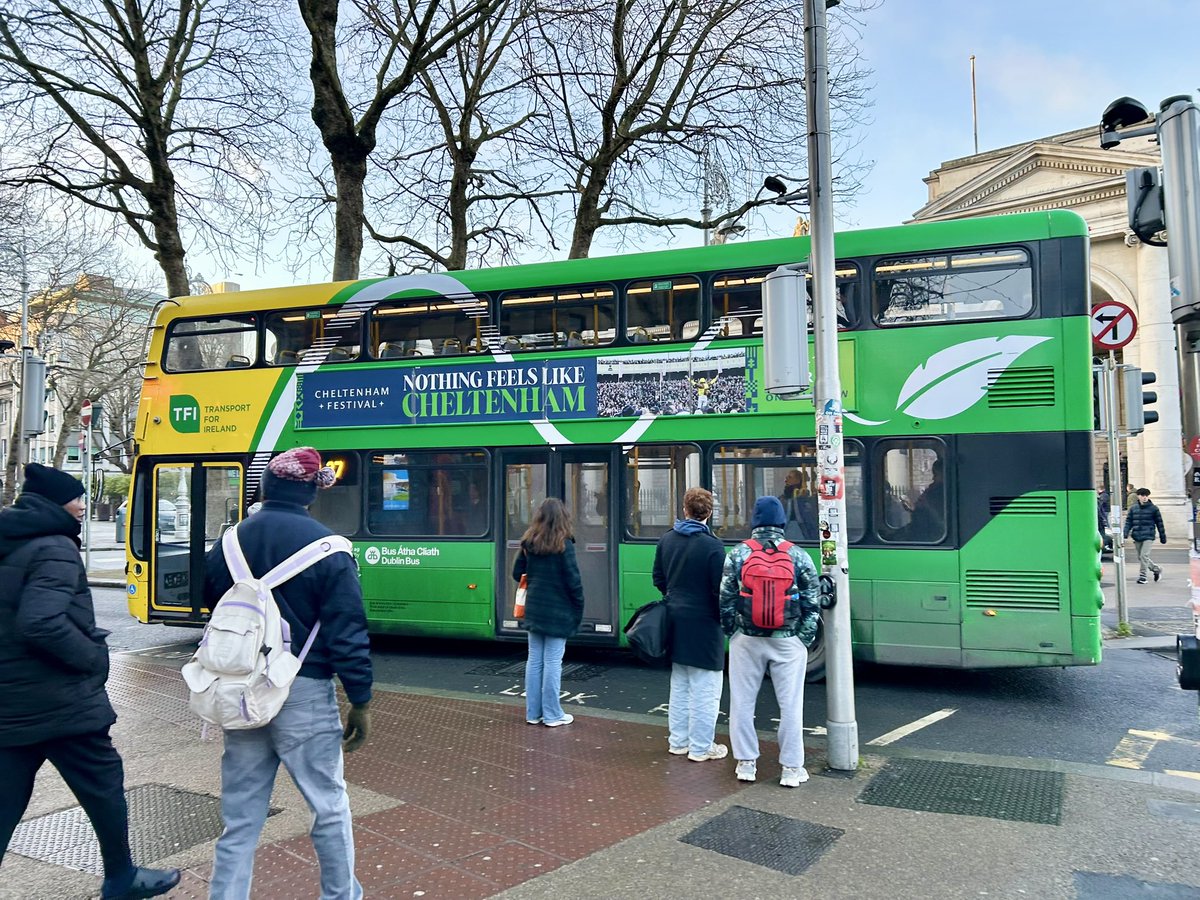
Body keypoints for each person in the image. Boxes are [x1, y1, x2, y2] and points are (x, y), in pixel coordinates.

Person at [0, 464, 180, 900]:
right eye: (77, 497)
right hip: (61, 703)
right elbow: (40, 623)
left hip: (12, 702)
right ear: (57, 502)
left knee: (4, 803)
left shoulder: (10, 539)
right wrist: (92, 658)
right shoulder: (54, 547)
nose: (83, 505)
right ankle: (121, 877)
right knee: (104, 789)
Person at [204, 447, 373, 900]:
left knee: (240, 818)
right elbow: (347, 632)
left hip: (242, 691)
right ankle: (340, 895)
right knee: (328, 805)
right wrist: (360, 700)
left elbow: (211, 603)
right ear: (310, 494)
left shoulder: (228, 543)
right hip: (304, 689)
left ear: (264, 487)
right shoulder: (330, 549)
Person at [719, 496, 820, 788]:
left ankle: (746, 763)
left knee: (742, 701)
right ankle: (791, 768)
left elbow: (726, 598)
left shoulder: (738, 554)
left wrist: (732, 631)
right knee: (790, 705)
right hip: (787, 639)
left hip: (747, 638)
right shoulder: (798, 555)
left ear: (755, 521)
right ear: (781, 521)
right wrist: (802, 639)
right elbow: (812, 602)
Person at [652, 487, 727, 762]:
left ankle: (678, 741)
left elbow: (658, 578)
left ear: (685, 509)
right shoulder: (713, 546)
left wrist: (675, 597)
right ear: (709, 512)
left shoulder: (667, 540)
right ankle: (701, 748)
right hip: (705, 623)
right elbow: (720, 589)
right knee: (706, 688)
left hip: (674, 619)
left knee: (680, 685)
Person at [513, 497, 584, 727]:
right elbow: (573, 581)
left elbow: (516, 573)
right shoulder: (565, 544)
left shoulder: (529, 543)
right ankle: (553, 715)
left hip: (535, 608)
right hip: (558, 610)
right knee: (553, 661)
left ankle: (533, 714)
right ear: (563, 518)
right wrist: (578, 608)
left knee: (534, 660)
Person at [1123, 487, 1166, 584]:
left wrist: (1163, 537)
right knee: (1141, 557)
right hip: (1137, 535)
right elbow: (1128, 522)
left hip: (1148, 535)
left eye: (1146, 495)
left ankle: (1143, 576)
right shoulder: (1133, 508)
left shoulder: (1154, 509)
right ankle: (1156, 569)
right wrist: (1125, 533)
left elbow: (1160, 523)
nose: (1145, 497)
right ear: (1138, 496)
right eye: (1142, 495)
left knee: (1144, 555)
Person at [903, 458, 946, 541]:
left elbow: (941, 522)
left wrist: (927, 505)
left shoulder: (941, 492)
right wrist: (913, 508)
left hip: (930, 534)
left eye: (936, 475)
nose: (933, 478)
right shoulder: (932, 490)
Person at [780, 469, 818, 542]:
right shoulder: (782, 500)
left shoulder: (807, 500)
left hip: (806, 537)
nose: (786, 480)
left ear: (798, 480)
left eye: (790, 477)